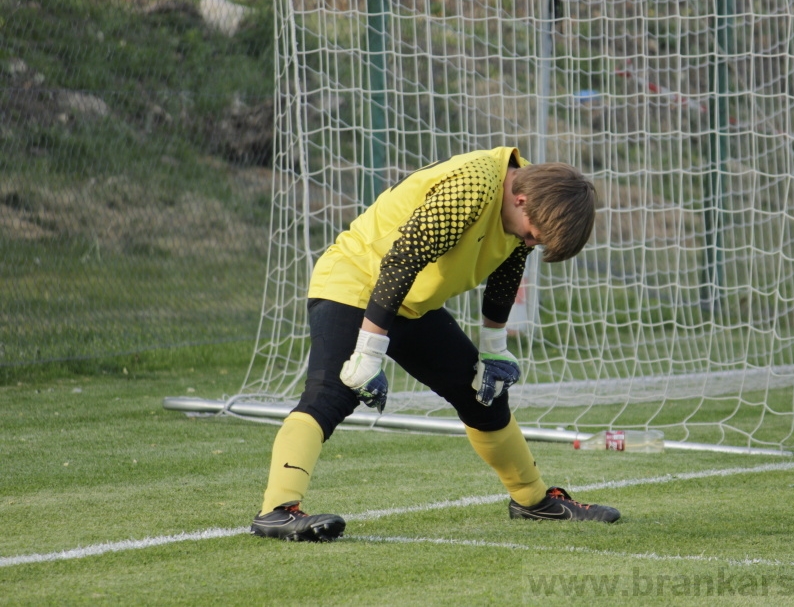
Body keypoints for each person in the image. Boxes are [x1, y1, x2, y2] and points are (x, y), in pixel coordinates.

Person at [250, 146, 620, 542]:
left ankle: (532, 501)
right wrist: (369, 352)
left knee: (482, 395)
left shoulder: (530, 192)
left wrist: (493, 347)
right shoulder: (474, 185)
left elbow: (507, 269)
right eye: (533, 235)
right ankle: (277, 510)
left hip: (412, 299)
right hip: (358, 282)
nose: (531, 243)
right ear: (521, 200)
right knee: (333, 392)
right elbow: (402, 260)